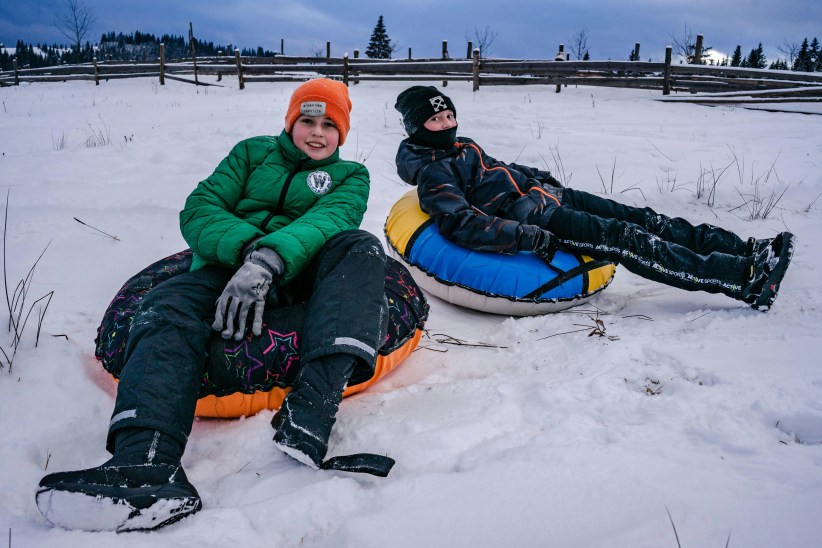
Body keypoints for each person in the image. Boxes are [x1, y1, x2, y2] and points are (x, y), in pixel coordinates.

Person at [36, 78, 390, 532]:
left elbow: (329, 220)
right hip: (221, 267)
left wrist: (268, 262)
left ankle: (312, 410)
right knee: (164, 307)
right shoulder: (250, 153)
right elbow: (200, 208)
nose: (317, 132)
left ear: (342, 133)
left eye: (329, 124)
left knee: (360, 245)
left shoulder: (350, 176)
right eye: (307, 120)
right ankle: (144, 465)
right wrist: (247, 252)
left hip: (297, 278)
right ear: (290, 122)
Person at [393, 85, 794, 311]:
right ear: (418, 127)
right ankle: (744, 280)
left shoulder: (463, 145)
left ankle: (746, 250)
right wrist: (523, 236)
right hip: (541, 220)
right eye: (436, 119)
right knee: (627, 239)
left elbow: (499, 169)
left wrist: (536, 176)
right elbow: (460, 222)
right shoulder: (434, 172)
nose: (447, 124)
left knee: (644, 218)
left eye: (449, 115)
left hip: (551, 196)